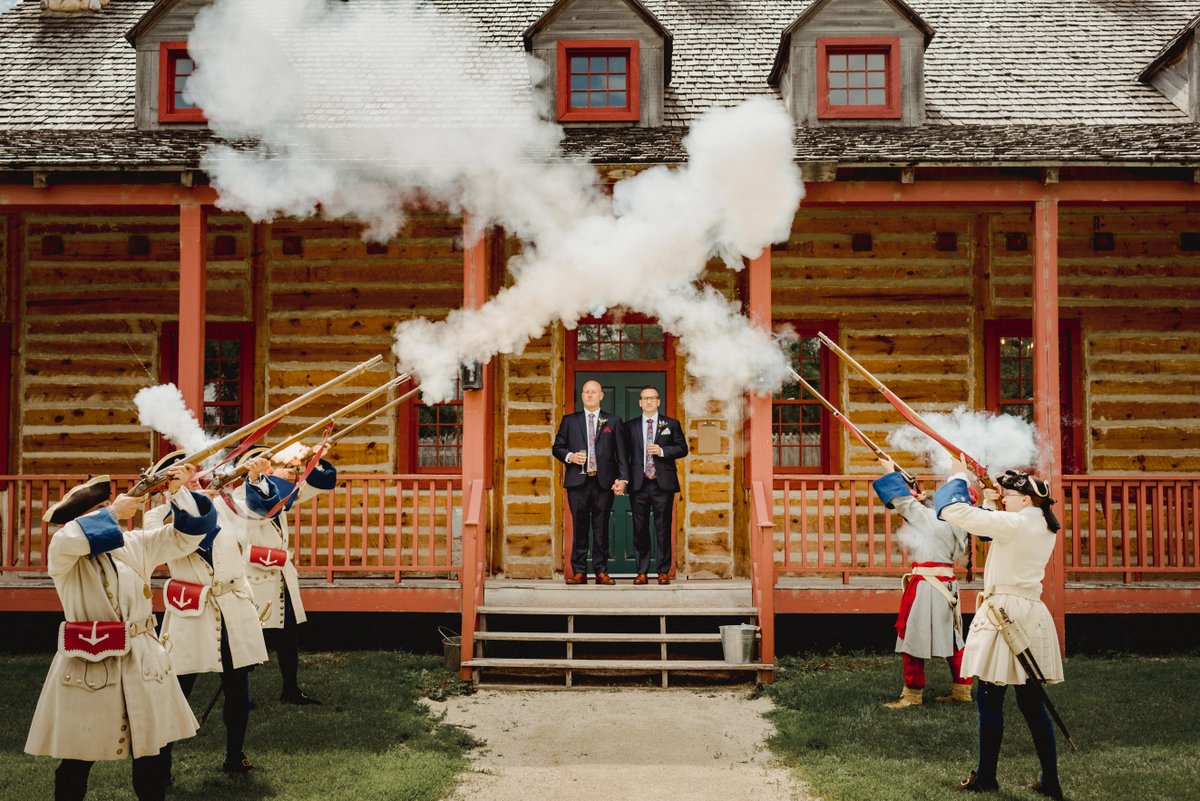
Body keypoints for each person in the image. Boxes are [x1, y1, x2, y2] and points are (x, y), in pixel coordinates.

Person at [25, 464, 218, 801]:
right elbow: (75, 538)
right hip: (89, 664)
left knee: (150, 759)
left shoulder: (135, 544)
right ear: (79, 521)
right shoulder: (63, 548)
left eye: (106, 509)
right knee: (76, 761)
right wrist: (114, 511)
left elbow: (188, 536)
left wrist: (178, 492)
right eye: (97, 512)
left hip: (142, 657)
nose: (107, 516)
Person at [936, 463, 1065, 800]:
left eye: (1009, 495)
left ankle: (987, 777)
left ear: (1025, 500)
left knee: (990, 699)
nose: (1003, 499)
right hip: (1029, 612)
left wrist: (958, 478)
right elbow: (990, 531)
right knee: (1031, 704)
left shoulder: (1017, 523)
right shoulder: (1036, 522)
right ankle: (1049, 780)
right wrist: (994, 499)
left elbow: (951, 510)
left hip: (1005, 613)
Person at [149, 463, 268, 777]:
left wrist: (255, 478)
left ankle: (234, 756)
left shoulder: (223, 504)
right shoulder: (157, 515)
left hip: (231, 605)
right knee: (176, 692)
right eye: (182, 476)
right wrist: (178, 495)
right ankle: (161, 762)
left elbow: (260, 514)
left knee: (238, 691)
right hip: (192, 611)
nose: (195, 480)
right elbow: (189, 532)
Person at [229, 448, 336, 704]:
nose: (273, 470)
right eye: (266, 466)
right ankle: (242, 695)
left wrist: (315, 457)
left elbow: (317, 486)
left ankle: (290, 690)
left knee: (288, 636)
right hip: (254, 576)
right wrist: (272, 478)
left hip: (280, 576)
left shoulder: (274, 492)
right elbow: (263, 508)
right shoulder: (239, 496)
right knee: (249, 639)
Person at [873, 458, 972, 708]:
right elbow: (924, 514)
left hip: (928, 586)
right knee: (954, 641)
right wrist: (921, 499)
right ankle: (962, 689)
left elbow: (904, 504)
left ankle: (912, 694)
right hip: (945, 584)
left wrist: (890, 472)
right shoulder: (960, 523)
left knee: (912, 640)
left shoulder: (934, 521)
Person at [552, 379, 629, 585]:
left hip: (603, 483)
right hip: (578, 483)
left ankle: (601, 571)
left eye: (594, 392)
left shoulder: (613, 421)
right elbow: (557, 447)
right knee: (579, 527)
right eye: (586, 392)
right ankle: (579, 571)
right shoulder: (570, 421)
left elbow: (621, 453)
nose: (590, 395)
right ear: (582, 396)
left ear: (601, 395)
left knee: (601, 527)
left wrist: (623, 479)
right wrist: (570, 456)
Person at [623, 385, 688, 585]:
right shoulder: (630, 426)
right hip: (639, 483)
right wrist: (623, 478)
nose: (649, 401)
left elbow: (682, 448)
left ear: (658, 401)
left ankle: (662, 571)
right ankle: (642, 571)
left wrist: (662, 451)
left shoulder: (671, 424)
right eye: (645, 398)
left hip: (662, 484)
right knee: (640, 528)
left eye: (653, 398)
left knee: (663, 527)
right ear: (640, 402)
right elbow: (624, 456)